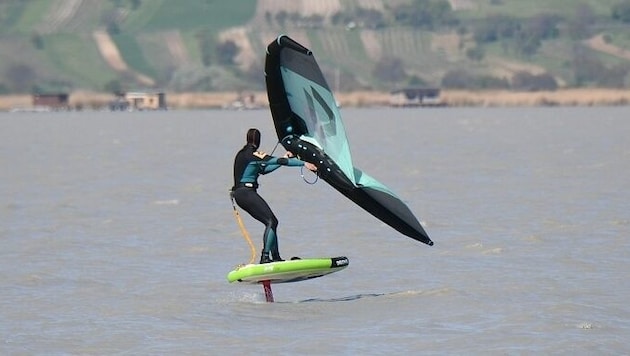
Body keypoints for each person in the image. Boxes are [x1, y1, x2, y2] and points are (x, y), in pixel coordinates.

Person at [231, 128, 317, 264]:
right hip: (245, 193)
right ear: (258, 141)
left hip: (242, 195)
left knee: (271, 221)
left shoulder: (242, 154)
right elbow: (278, 162)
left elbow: (264, 170)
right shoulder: (253, 154)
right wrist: (303, 163)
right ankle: (265, 258)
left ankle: (275, 257)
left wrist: (286, 157)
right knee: (271, 222)